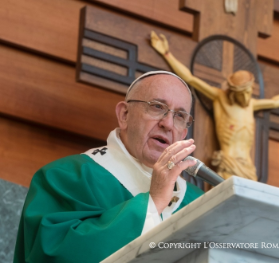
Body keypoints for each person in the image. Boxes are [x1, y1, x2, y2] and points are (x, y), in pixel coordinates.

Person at [13, 71, 204, 263]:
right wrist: (151, 204)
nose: (168, 124)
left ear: (183, 134)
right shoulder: (65, 177)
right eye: (157, 106)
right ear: (124, 115)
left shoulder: (199, 202)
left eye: (179, 116)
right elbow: (52, 254)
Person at [150, 31, 279, 181]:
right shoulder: (220, 98)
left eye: (249, 92)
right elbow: (191, 79)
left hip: (247, 168)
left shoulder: (251, 105)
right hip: (228, 164)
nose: (247, 97)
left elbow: (274, 102)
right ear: (234, 92)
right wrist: (167, 54)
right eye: (243, 93)